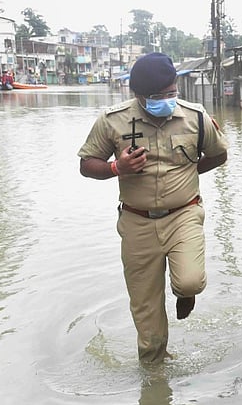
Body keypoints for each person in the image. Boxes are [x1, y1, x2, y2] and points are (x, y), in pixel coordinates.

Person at [77, 52, 228, 363]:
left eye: (171, 93)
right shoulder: (112, 121)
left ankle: (184, 295)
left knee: (190, 280)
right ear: (138, 95)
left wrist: (187, 173)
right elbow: (86, 165)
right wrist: (118, 168)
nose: (167, 100)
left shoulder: (195, 116)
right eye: (158, 96)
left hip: (184, 214)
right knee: (145, 307)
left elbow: (219, 154)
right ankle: (155, 369)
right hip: (137, 222)